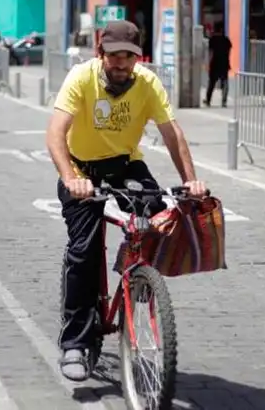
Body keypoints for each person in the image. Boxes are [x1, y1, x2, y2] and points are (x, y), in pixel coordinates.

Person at [45, 20, 207, 382]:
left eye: (128, 57)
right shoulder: (81, 78)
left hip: (124, 165)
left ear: (138, 58)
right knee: (84, 252)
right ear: (100, 54)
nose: (121, 64)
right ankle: (75, 342)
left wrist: (190, 181)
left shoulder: (147, 83)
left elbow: (171, 133)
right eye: (114, 56)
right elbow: (55, 133)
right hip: (82, 170)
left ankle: (137, 275)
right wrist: (72, 179)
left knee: (162, 216)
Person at [204, 21, 232, 107]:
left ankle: (208, 100)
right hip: (224, 64)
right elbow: (229, 51)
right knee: (225, 83)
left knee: (211, 83)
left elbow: (210, 53)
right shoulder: (226, 40)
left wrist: (208, 63)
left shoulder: (212, 40)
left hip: (215, 64)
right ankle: (224, 101)